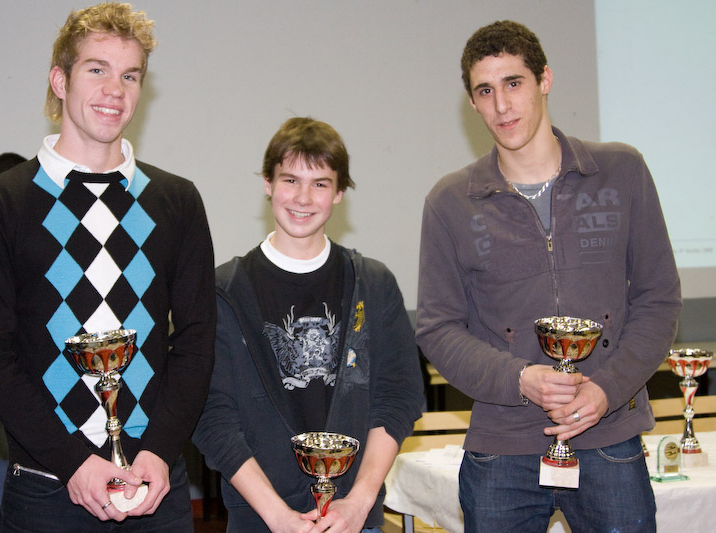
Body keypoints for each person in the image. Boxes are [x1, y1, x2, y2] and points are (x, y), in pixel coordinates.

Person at [0, 3, 215, 531]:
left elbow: (196, 342)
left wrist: (160, 449)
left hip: (153, 484)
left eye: (130, 75)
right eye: (97, 69)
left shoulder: (176, 201)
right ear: (60, 81)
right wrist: (73, 461)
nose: (114, 90)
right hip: (46, 488)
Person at [416, 20, 681, 533]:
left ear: (545, 80)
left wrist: (606, 389)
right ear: (472, 103)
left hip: (609, 434)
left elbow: (659, 299)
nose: (501, 105)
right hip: (501, 449)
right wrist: (520, 379)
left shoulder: (621, 171)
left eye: (513, 83)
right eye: (485, 91)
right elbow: (438, 328)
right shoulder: (450, 202)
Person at [193, 117, 424, 532]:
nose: (303, 197)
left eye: (320, 183)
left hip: (355, 519)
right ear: (268, 183)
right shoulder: (224, 290)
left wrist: (358, 503)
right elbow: (213, 417)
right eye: (290, 180)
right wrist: (277, 516)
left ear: (339, 193)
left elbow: (398, 398)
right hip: (262, 520)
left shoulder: (373, 284)